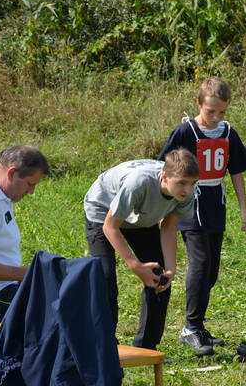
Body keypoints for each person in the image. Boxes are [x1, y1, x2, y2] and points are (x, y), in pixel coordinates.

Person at [159, 78, 246, 357]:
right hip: (189, 202)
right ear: (199, 104)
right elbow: (164, 169)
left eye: (222, 112)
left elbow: (236, 170)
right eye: (211, 111)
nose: (215, 117)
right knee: (200, 263)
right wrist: (162, 207)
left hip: (216, 204)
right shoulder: (185, 131)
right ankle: (192, 327)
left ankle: (196, 324)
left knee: (211, 269)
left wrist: (243, 207)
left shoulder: (228, 132)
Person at [84, 148, 199, 350]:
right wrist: (134, 265)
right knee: (105, 278)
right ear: (165, 177)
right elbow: (110, 227)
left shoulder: (187, 191)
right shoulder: (138, 183)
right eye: (182, 183)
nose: (187, 189)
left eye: (192, 183)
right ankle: (106, 348)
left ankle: (146, 348)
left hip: (141, 218)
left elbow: (168, 227)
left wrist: (170, 269)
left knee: (160, 278)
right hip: (103, 212)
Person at [0, 144, 50, 324]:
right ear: (12, 173)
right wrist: (24, 273)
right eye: (30, 184)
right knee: (55, 307)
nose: (31, 191)